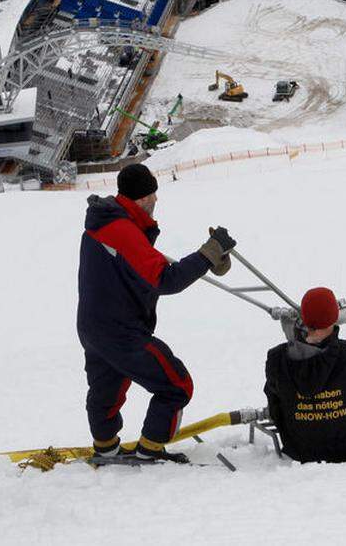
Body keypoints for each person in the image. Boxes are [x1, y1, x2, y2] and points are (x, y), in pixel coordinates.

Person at [77, 163, 235, 464]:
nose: (156, 200)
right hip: (121, 331)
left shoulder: (107, 219)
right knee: (176, 385)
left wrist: (206, 258)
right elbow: (165, 279)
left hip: (95, 327)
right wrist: (208, 254)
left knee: (107, 388)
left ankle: (106, 447)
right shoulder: (121, 229)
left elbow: (137, 264)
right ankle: (150, 451)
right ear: (141, 198)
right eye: (153, 194)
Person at [263, 287, 346, 463]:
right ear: (334, 317)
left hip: (297, 450)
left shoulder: (276, 358)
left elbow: (275, 402)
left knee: (277, 387)